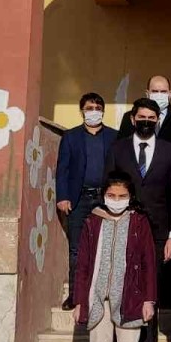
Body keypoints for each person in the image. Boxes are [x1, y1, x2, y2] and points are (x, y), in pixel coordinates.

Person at [72, 171, 157, 342]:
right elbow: (83, 264)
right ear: (104, 195)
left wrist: (148, 299)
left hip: (130, 301)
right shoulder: (93, 221)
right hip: (99, 302)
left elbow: (148, 262)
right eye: (112, 195)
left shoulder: (139, 222)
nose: (116, 200)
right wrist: (80, 300)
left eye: (122, 196)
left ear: (130, 197)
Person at [105, 97, 171, 342]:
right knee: (122, 304)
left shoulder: (170, 151)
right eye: (142, 116)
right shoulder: (118, 148)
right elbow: (108, 190)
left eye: (152, 117)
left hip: (159, 237)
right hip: (123, 232)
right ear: (133, 118)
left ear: (157, 120)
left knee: (149, 306)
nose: (147, 121)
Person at [56, 92, 117, 311]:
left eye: (98, 107)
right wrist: (62, 196)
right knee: (77, 249)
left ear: (103, 111)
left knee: (107, 247)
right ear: (82, 110)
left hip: (106, 200)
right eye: (89, 108)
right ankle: (75, 295)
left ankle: (106, 293)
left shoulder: (113, 136)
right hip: (78, 199)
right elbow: (62, 169)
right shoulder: (71, 137)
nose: (94, 111)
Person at [117, 75, 171, 166]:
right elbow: (121, 148)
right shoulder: (130, 116)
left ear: (170, 94)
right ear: (147, 93)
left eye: (163, 91)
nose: (159, 94)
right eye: (154, 91)